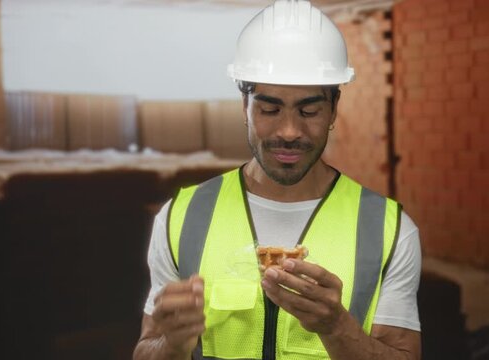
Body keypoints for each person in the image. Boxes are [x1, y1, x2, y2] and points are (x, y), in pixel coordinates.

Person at [133, 1, 422, 359]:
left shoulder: (389, 229)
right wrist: (171, 344)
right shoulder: (182, 217)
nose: (289, 131)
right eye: (269, 109)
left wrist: (337, 328)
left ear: (333, 108)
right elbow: (147, 350)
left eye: (309, 110)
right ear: (245, 106)